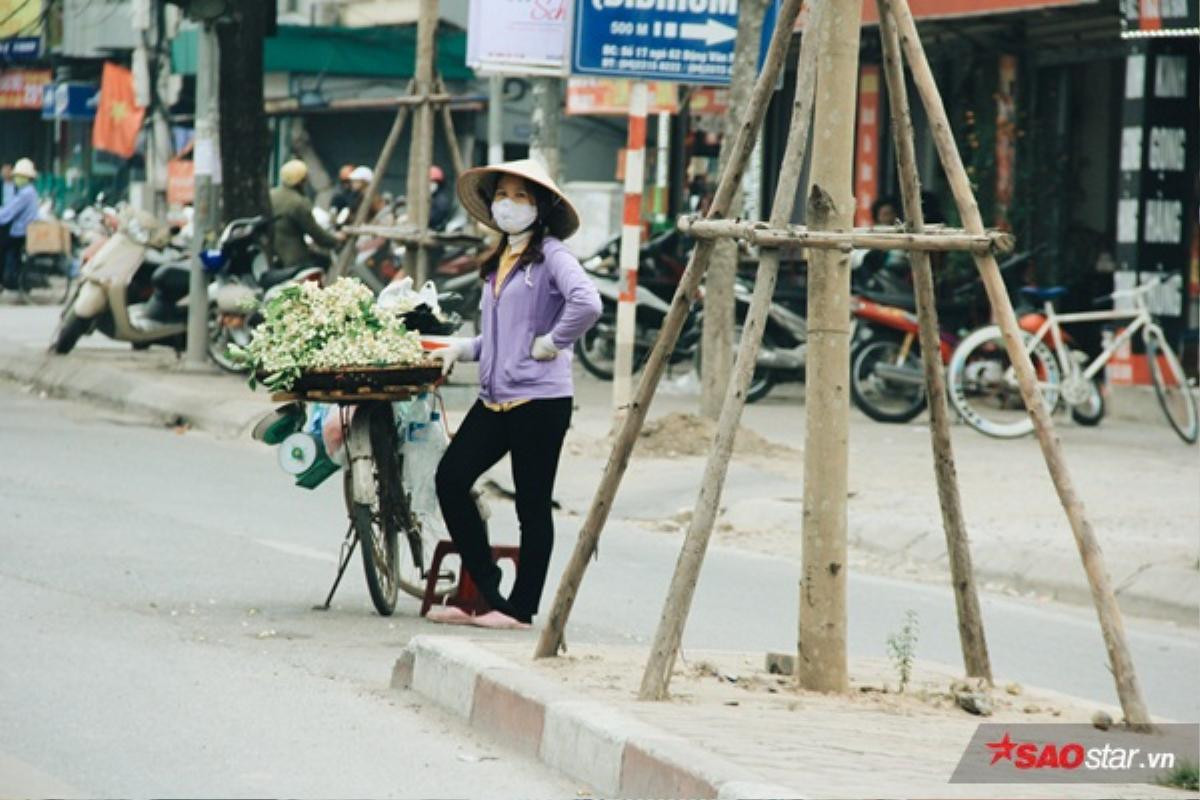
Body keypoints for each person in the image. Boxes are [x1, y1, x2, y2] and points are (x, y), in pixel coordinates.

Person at [429, 159, 602, 630]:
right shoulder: (499, 261)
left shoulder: (552, 255)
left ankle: (520, 611)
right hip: (495, 397)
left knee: (532, 504)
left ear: (541, 207)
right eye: (502, 195)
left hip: (541, 402)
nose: (509, 204)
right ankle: (486, 592)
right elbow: (503, 338)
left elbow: (587, 303)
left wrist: (555, 341)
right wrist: (461, 349)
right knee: (451, 479)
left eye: (521, 197)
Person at [269, 159, 343, 270]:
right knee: (324, 262)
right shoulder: (298, 203)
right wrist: (336, 240)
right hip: (294, 259)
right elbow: (317, 234)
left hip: (271, 254)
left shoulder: (271, 195)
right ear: (302, 180)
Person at [0, 158, 39, 291]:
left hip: (19, 232)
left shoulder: (25, 193)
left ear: (25, 178)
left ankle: (8, 280)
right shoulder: (28, 191)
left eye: (18, 177)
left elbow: (8, 212)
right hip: (21, 230)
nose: (16, 179)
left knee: (3, 247)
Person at [428, 165, 453, 231]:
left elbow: (433, 219)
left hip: (437, 230)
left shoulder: (441, 200)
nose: (430, 185)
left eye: (433, 182)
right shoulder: (433, 197)